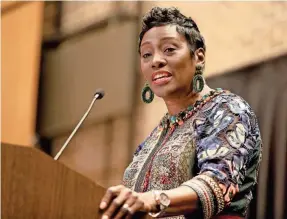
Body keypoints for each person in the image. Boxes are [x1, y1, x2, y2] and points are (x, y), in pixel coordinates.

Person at [99, 6, 262, 219]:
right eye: (146, 54)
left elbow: (216, 184)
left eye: (169, 49)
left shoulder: (228, 110)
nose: (156, 60)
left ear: (199, 57)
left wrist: (152, 200)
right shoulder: (156, 134)